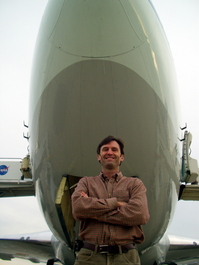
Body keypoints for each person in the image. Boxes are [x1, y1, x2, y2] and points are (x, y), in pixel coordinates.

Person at [71, 135, 150, 265]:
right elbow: (78, 209)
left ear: (121, 157)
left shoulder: (135, 184)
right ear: (99, 156)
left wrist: (94, 213)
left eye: (114, 150)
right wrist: (116, 203)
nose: (109, 152)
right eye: (105, 149)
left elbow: (140, 215)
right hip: (90, 257)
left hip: (125, 258)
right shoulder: (86, 182)